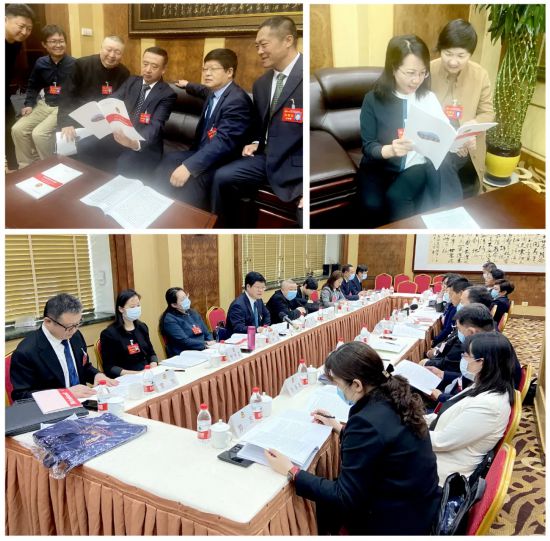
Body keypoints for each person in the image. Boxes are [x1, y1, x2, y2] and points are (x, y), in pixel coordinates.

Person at [265, 342, 441, 535]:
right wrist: (338, 427)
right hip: (420, 505)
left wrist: (293, 471)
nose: (337, 390)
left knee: (325, 505)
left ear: (357, 385)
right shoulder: (393, 394)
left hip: (394, 521)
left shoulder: (366, 422)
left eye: (338, 384)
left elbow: (344, 496)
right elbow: (383, 441)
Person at [211, 16, 303, 227]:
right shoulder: (261, 84)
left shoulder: (306, 77)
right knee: (222, 177)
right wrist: (256, 142)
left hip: (296, 166)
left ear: (288, 40)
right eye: (257, 46)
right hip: (265, 157)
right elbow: (261, 124)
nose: (259, 51)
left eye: (264, 44)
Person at [357, 34, 451, 226]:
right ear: (393, 68)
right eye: (410, 73)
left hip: (415, 165)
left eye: (423, 73)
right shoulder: (372, 100)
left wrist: (459, 142)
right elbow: (368, 146)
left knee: (397, 198)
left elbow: (445, 134)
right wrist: (390, 150)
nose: (417, 80)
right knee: (372, 205)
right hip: (379, 166)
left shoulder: (428, 98)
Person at [154, 48, 253, 210]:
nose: (207, 73)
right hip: (202, 150)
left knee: (191, 182)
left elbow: (223, 142)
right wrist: (187, 85)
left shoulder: (237, 101)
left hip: (222, 160)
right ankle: (155, 204)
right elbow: (202, 90)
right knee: (168, 161)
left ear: (229, 72)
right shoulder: (215, 91)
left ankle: (188, 216)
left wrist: (189, 167)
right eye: (205, 69)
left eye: (213, 69)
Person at [73, 46, 176, 179]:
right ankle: (92, 182)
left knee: (125, 163)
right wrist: (100, 110)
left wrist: (134, 143)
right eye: (145, 64)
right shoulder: (132, 81)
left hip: (144, 145)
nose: (148, 70)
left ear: (163, 69)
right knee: (84, 145)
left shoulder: (167, 94)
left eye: (154, 66)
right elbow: (113, 99)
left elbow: (156, 126)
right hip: (120, 135)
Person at [427, 332, 514, 485]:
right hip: (439, 452)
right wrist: (414, 419)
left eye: (466, 356)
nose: (463, 359)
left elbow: (441, 441)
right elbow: (449, 415)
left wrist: (404, 431)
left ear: (482, 362)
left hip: (441, 472)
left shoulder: (490, 405)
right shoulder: (483, 384)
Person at [431, 20, 495, 203]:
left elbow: (488, 112)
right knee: (443, 164)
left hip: (468, 145)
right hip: (436, 143)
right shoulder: (428, 70)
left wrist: (472, 127)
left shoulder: (480, 75)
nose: (453, 61)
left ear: (470, 54)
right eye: (448, 53)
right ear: (440, 49)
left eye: (461, 55)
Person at [10, 293, 116, 401]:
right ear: (48, 322)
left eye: (77, 324)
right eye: (69, 327)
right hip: (53, 407)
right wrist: (65, 394)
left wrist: (96, 375)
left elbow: (84, 367)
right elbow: (21, 396)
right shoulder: (26, 352)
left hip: (83, 401)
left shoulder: (75, 336)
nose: (74, 330)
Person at [11, 25, 75, 168]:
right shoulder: (41, 63)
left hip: (63, 107)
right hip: (44, 104)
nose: (58, 45)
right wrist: (29, 104)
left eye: (61, 41)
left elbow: (79, 93)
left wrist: (68, 118)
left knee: (39, 134)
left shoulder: (75, 64)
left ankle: (51, 166)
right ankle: (26, 167)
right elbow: (33, 85)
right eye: (53, 41)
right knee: (18, 129)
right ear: (44, 44)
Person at [58, 36, 130, 141]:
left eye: (117, 52)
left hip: (107, 121)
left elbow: (122, 102)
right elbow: (67, 95)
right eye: (108, 50)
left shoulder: (124, 73)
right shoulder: (81, 65)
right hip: (78, 116)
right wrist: (66, 123)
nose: (112, 55)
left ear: (122, 55)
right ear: (101, 49)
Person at [99, 289, 158, 378]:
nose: (136, 309)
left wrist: (153, 366)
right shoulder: (109, 334)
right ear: (121, 309)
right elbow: (110, 367)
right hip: (127, 376)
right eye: (132, 307)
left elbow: (151, 353)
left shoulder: (142, 327)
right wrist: (137, 374)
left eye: (138, 305)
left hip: (147, 373)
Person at [5, 3, 35, 171]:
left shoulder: (15, 43)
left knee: (9, 128)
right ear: (5, 20)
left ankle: (13, 168)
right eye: (21, 26)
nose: (25, 32)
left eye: (29, 29)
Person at [159, 287, 215, 357]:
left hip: (204, 350)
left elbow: (206, 332)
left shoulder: (193, 312)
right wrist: (205, 344)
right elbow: (185, 341)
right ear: (174, 305)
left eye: (186, 297)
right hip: (185, 354)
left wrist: (211, 343)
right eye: (183, 299)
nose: (186, 300)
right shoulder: (169, 320)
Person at [226, 271, 271, 336]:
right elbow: (239, 328)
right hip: (240, 339)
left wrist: (265, 327)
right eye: (257, 287)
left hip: (256, 336)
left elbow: (266, 314)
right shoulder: (238, 305)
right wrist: (257, 329)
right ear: (248, 287)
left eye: (263, 287)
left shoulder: (258, 299)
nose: (261, 290)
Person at [432, 276, 471, 346]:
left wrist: (435, 344)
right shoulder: (451, 304)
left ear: (461, 293)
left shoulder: (458, 308)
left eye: (450, 293)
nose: (449, 296)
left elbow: (449, 331)